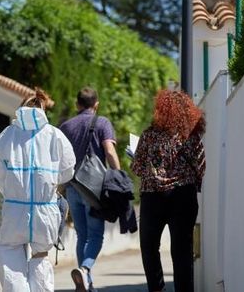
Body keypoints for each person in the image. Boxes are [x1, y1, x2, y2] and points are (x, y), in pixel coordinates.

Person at [0, 88, 76, 292]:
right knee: (40, 256)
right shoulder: (54, 135)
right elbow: (68, 169)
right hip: (45, 210)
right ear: (43, 109)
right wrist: (51, 183)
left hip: (14, 209)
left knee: (10, 251)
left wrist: (11, 192)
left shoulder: (8, 134)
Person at [131, 89, 205, 292]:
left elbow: (137, 168)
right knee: (182, 250)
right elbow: (201, 166)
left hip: (153, 196)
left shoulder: (149, 136)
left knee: (149, 247)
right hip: (184, 196)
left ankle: (157, 288)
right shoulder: (191, 135)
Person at [59, 87, 121, 292]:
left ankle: (88, 284)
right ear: (96, 104)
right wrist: (118, 175)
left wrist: (59, 188)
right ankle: (85, 270)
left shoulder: (66, 126)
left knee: (82, 236)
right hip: (94, 189)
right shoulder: (102, 122)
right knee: (96, 236)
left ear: (77, 104)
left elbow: (60, 160)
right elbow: (110, 151)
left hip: (72, 187)